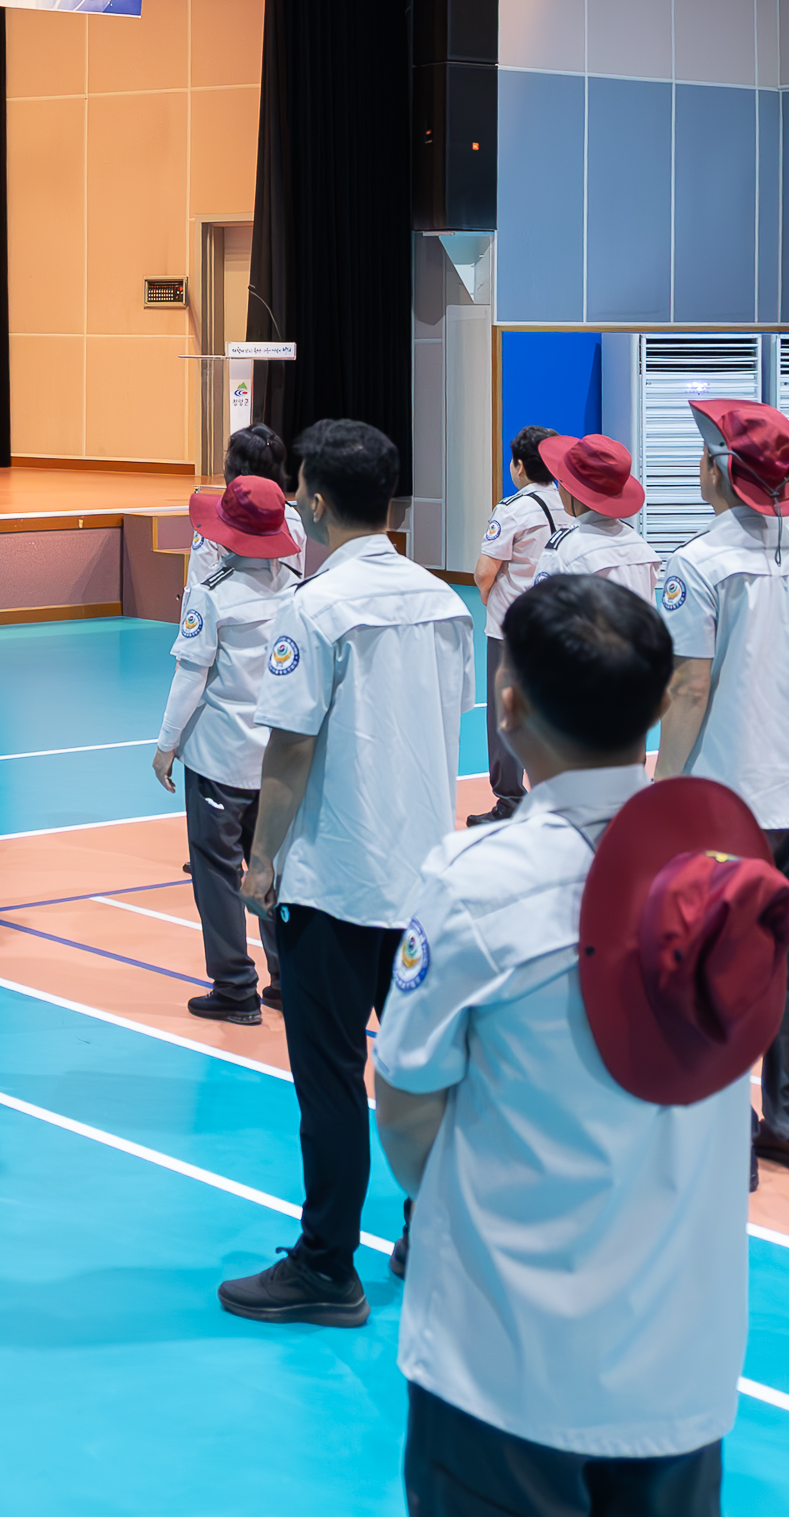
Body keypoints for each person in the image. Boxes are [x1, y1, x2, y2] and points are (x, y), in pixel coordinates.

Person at [372, 575, 789, 1517]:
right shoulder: (731, 879)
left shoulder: (479, 882)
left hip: (504, 1366)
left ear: (508, 702)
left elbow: (404, 1109)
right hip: (681, 1369)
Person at [226, 416, 470, 1327]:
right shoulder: (445, 603)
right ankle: (434, 1235)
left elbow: (289, 753)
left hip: (335, 882)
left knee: (330, 1082)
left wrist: (259, 864)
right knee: (420, 1073)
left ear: (316, 503)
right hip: (423, 878)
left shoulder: (314, 608)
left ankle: (328, 1264)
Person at [652, 400, 789, 1173]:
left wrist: (662, 793)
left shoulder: (694, 565)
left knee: (706, 963)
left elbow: (689, 690)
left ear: (724, 473)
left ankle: (724, 1135)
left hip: (723, 801)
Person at [149, 473, 298, 1026]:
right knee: (274, 867)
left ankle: (235, 986)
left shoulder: (211, 594)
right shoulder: (295, 589)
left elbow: (191, 675)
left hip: (220, 759)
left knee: (215, 869)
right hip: (280, 755)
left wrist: (166, 745)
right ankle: (287, 979)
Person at [466, 426, 566, 824]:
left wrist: (489, 599)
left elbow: (483, 571)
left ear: (519, 466)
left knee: (505, 713)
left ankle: (509, 800)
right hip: (556, 623)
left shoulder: (512, 509)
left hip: (511, 628)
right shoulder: (568, 503)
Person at [527, 433, 660, 603]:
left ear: (573, 490)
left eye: (562, 481)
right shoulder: (640, 547)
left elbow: (541, 616)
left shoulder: (564, 550)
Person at [198, 424, 309, 587]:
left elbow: (198, 585)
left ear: (233, 469)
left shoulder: (215, 520)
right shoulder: (293, 519)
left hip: (227, 610)